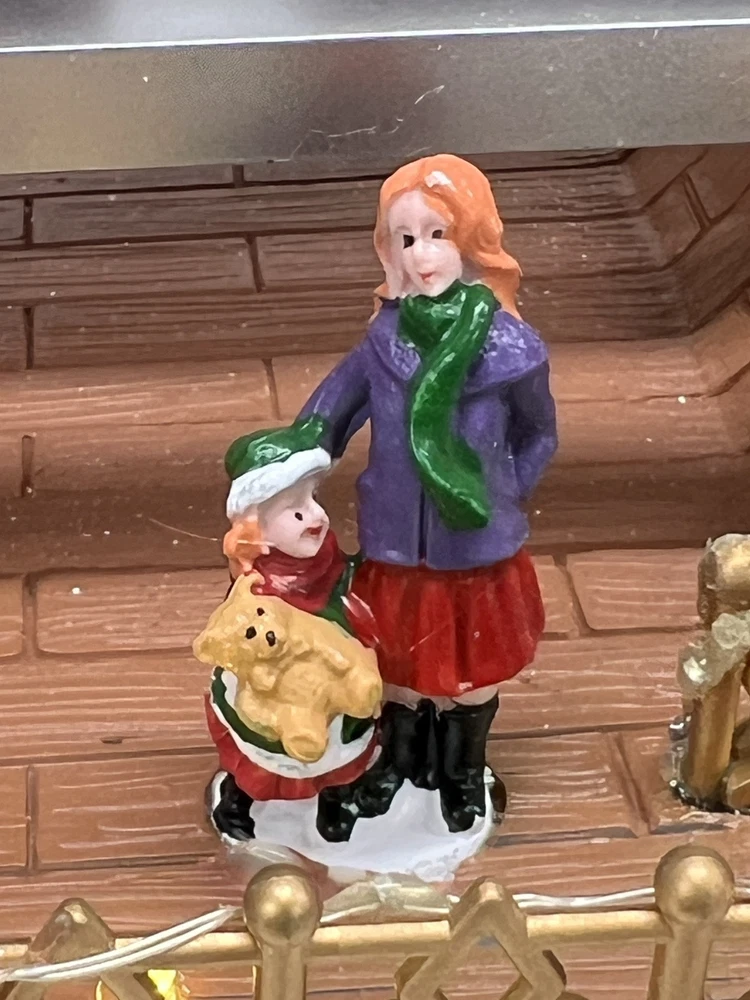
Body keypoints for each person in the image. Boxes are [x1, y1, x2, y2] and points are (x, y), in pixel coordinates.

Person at [297, 153, 558, 838]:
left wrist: (503, 493)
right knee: (398, 665)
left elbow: (538, 433)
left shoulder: (512, 348)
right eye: (406, 238)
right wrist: (293, 457)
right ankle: (398, 761)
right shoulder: (384, 340)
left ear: (471, 240)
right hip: (396, 540)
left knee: (473, 668)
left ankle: (463, 768)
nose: (422, 255)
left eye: (438, 235)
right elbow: (330, 409)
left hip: (475, 545)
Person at [206, 417, 379, 842]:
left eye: (313, 500)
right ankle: (240, 797)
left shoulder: (327, 558)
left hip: (331, 679)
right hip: (274, 685)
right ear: (257, 527)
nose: (315, 517)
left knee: (340, 745)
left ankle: (335, 801)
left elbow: (348, 592)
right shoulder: (256, 583)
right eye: (296, 510)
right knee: (262, 750)